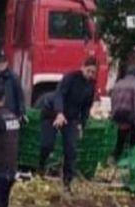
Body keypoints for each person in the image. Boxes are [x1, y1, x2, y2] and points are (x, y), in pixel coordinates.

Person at [38, 57, 98, 190]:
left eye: (93, 72)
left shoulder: (91, 85)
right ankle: (40, 168)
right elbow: (59, 95)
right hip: (53, 113)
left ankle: (67, 182)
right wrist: (59, 113)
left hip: (71, 118)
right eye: (88, 71)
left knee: (71, 149)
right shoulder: (70, 78)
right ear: (82, 67)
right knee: (47, 144)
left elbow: (86, 107)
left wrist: (82, 123)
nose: (90, 75)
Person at [0, 52, 26, 120]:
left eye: (3, 62)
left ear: (7, 63)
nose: (1, 64)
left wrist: (22, 114)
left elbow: (20, 98)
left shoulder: (13, 78)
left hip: (11, 114)